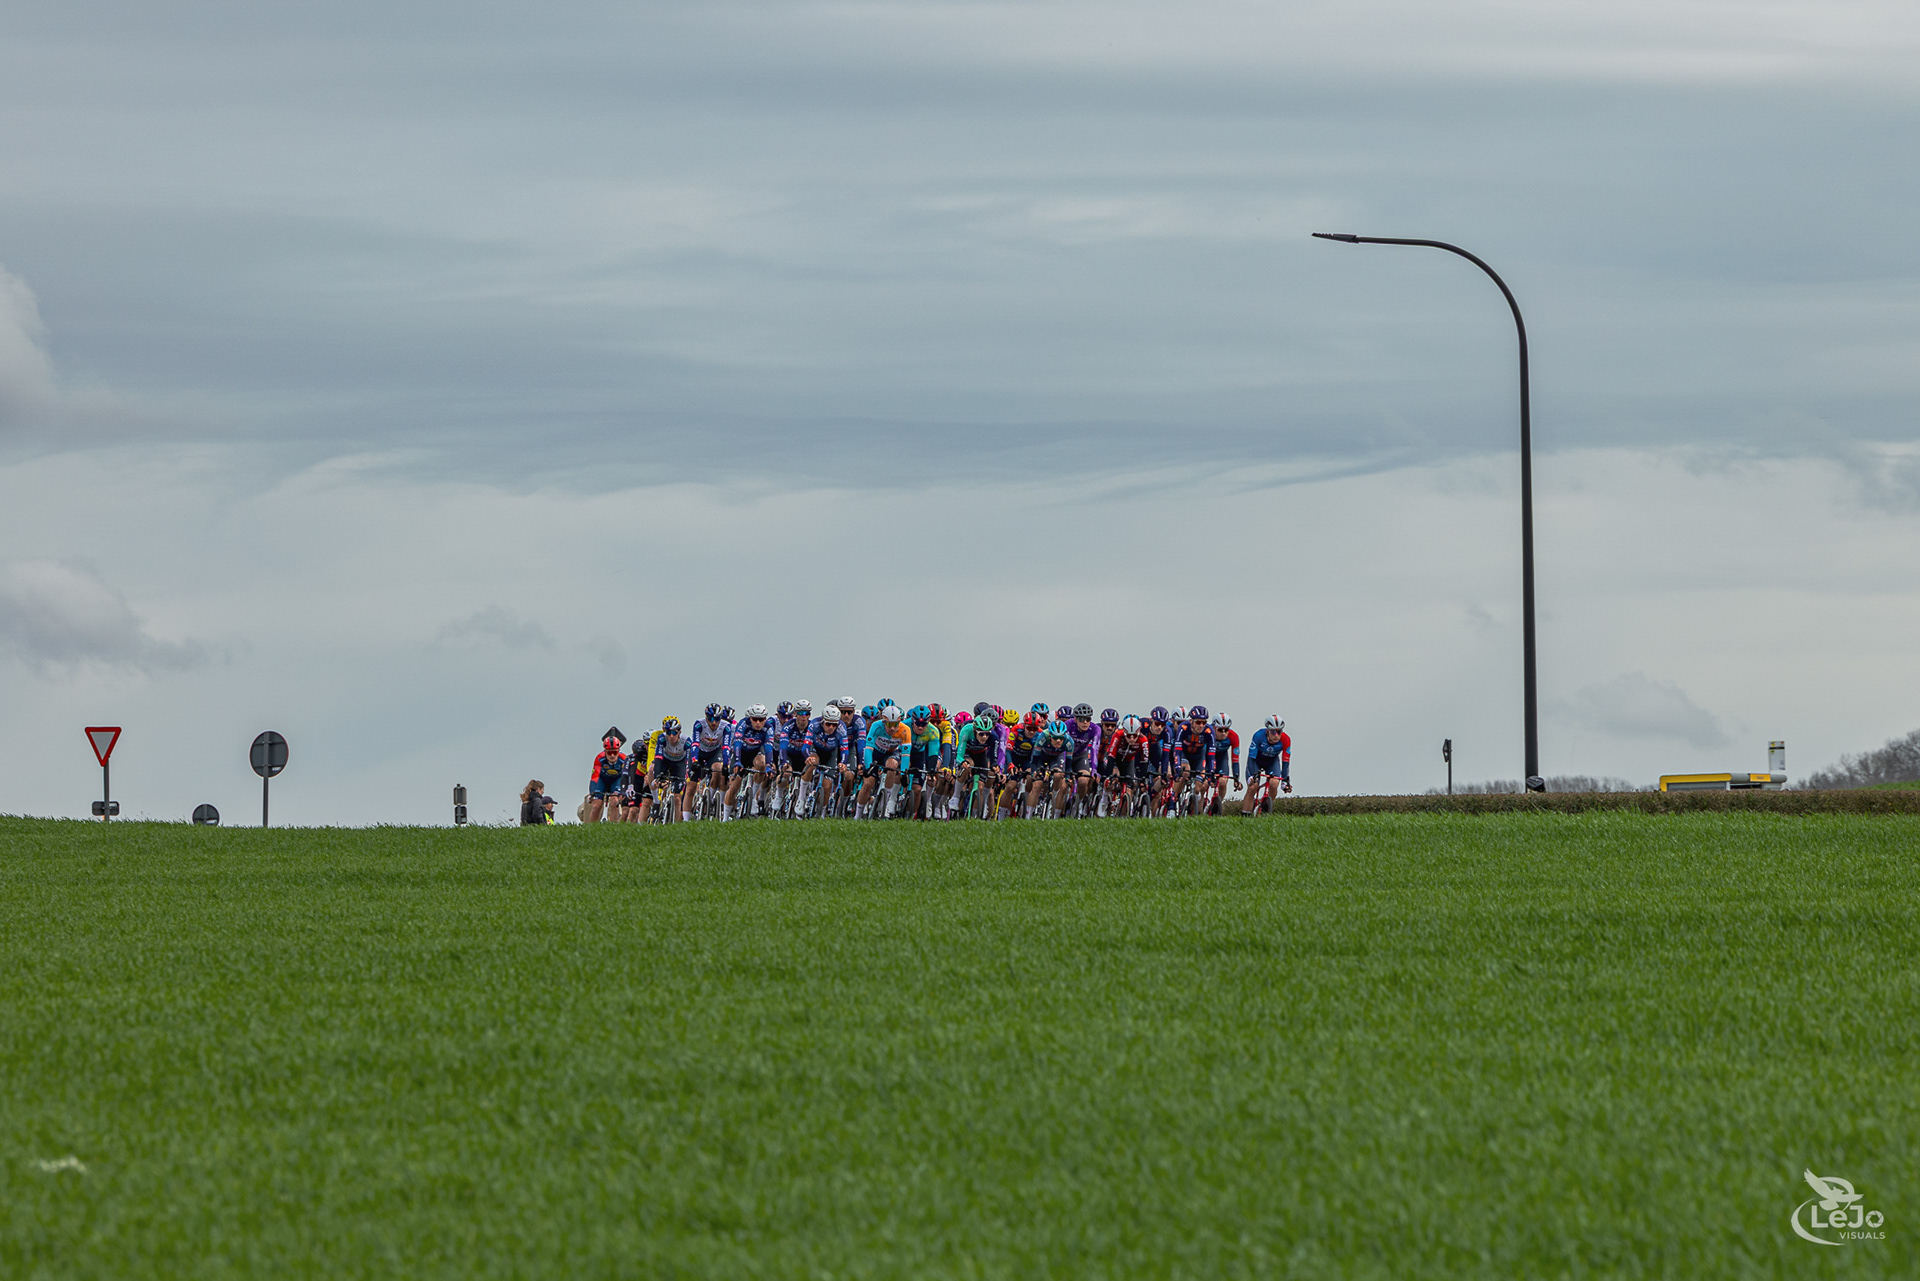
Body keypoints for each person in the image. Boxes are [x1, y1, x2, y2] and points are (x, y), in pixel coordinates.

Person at [1244, 716, 1293, 814]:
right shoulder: (1258, 736)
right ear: (1267, 731)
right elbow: (1251, 758)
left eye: (1279, 732)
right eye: (1273, 732)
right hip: (1256, 762)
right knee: (1253, 787)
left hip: (1272, 762)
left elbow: (1285, 762)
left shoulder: (1286, 739)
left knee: (1274, 783)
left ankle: (1265, 807)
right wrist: (1251, 776)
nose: (1276, 735)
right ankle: (1245, 815)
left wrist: (1285, 781)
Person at [585, 733, 628, 823]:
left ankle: (612, 826)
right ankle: (592, 827)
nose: (612, 755)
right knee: (597, 804)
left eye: (615, 752)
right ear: (605, 751)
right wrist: (592, 794)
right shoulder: (599, 759)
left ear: (619, 751)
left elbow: (626, 776)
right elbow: (595, 777)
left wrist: (623, 792)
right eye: (609, 752)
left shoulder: (623, 759)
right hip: (602, 780)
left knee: (614, 801)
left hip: (617, 780)